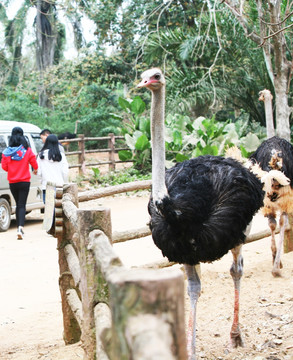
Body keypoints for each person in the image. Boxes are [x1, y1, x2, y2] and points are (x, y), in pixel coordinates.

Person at [1, 126, 38, 239]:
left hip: (13, 182)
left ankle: (19, 228)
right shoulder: (27, 151)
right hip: (24, 181)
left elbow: (5, 167)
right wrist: (35, 170)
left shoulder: (6, 152)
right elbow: (34, 164)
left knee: (18, 204)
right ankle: (20, 228)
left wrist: (13, 168)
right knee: (22, 205)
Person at [37, 134, 69, 203]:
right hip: (59, 186)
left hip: (46, 186)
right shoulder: (61, 156)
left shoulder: (41, 156)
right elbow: (65, 172)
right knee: (59, 209)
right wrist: (65, 183)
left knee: (49, 211)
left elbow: (38, 172)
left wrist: (41, 182)